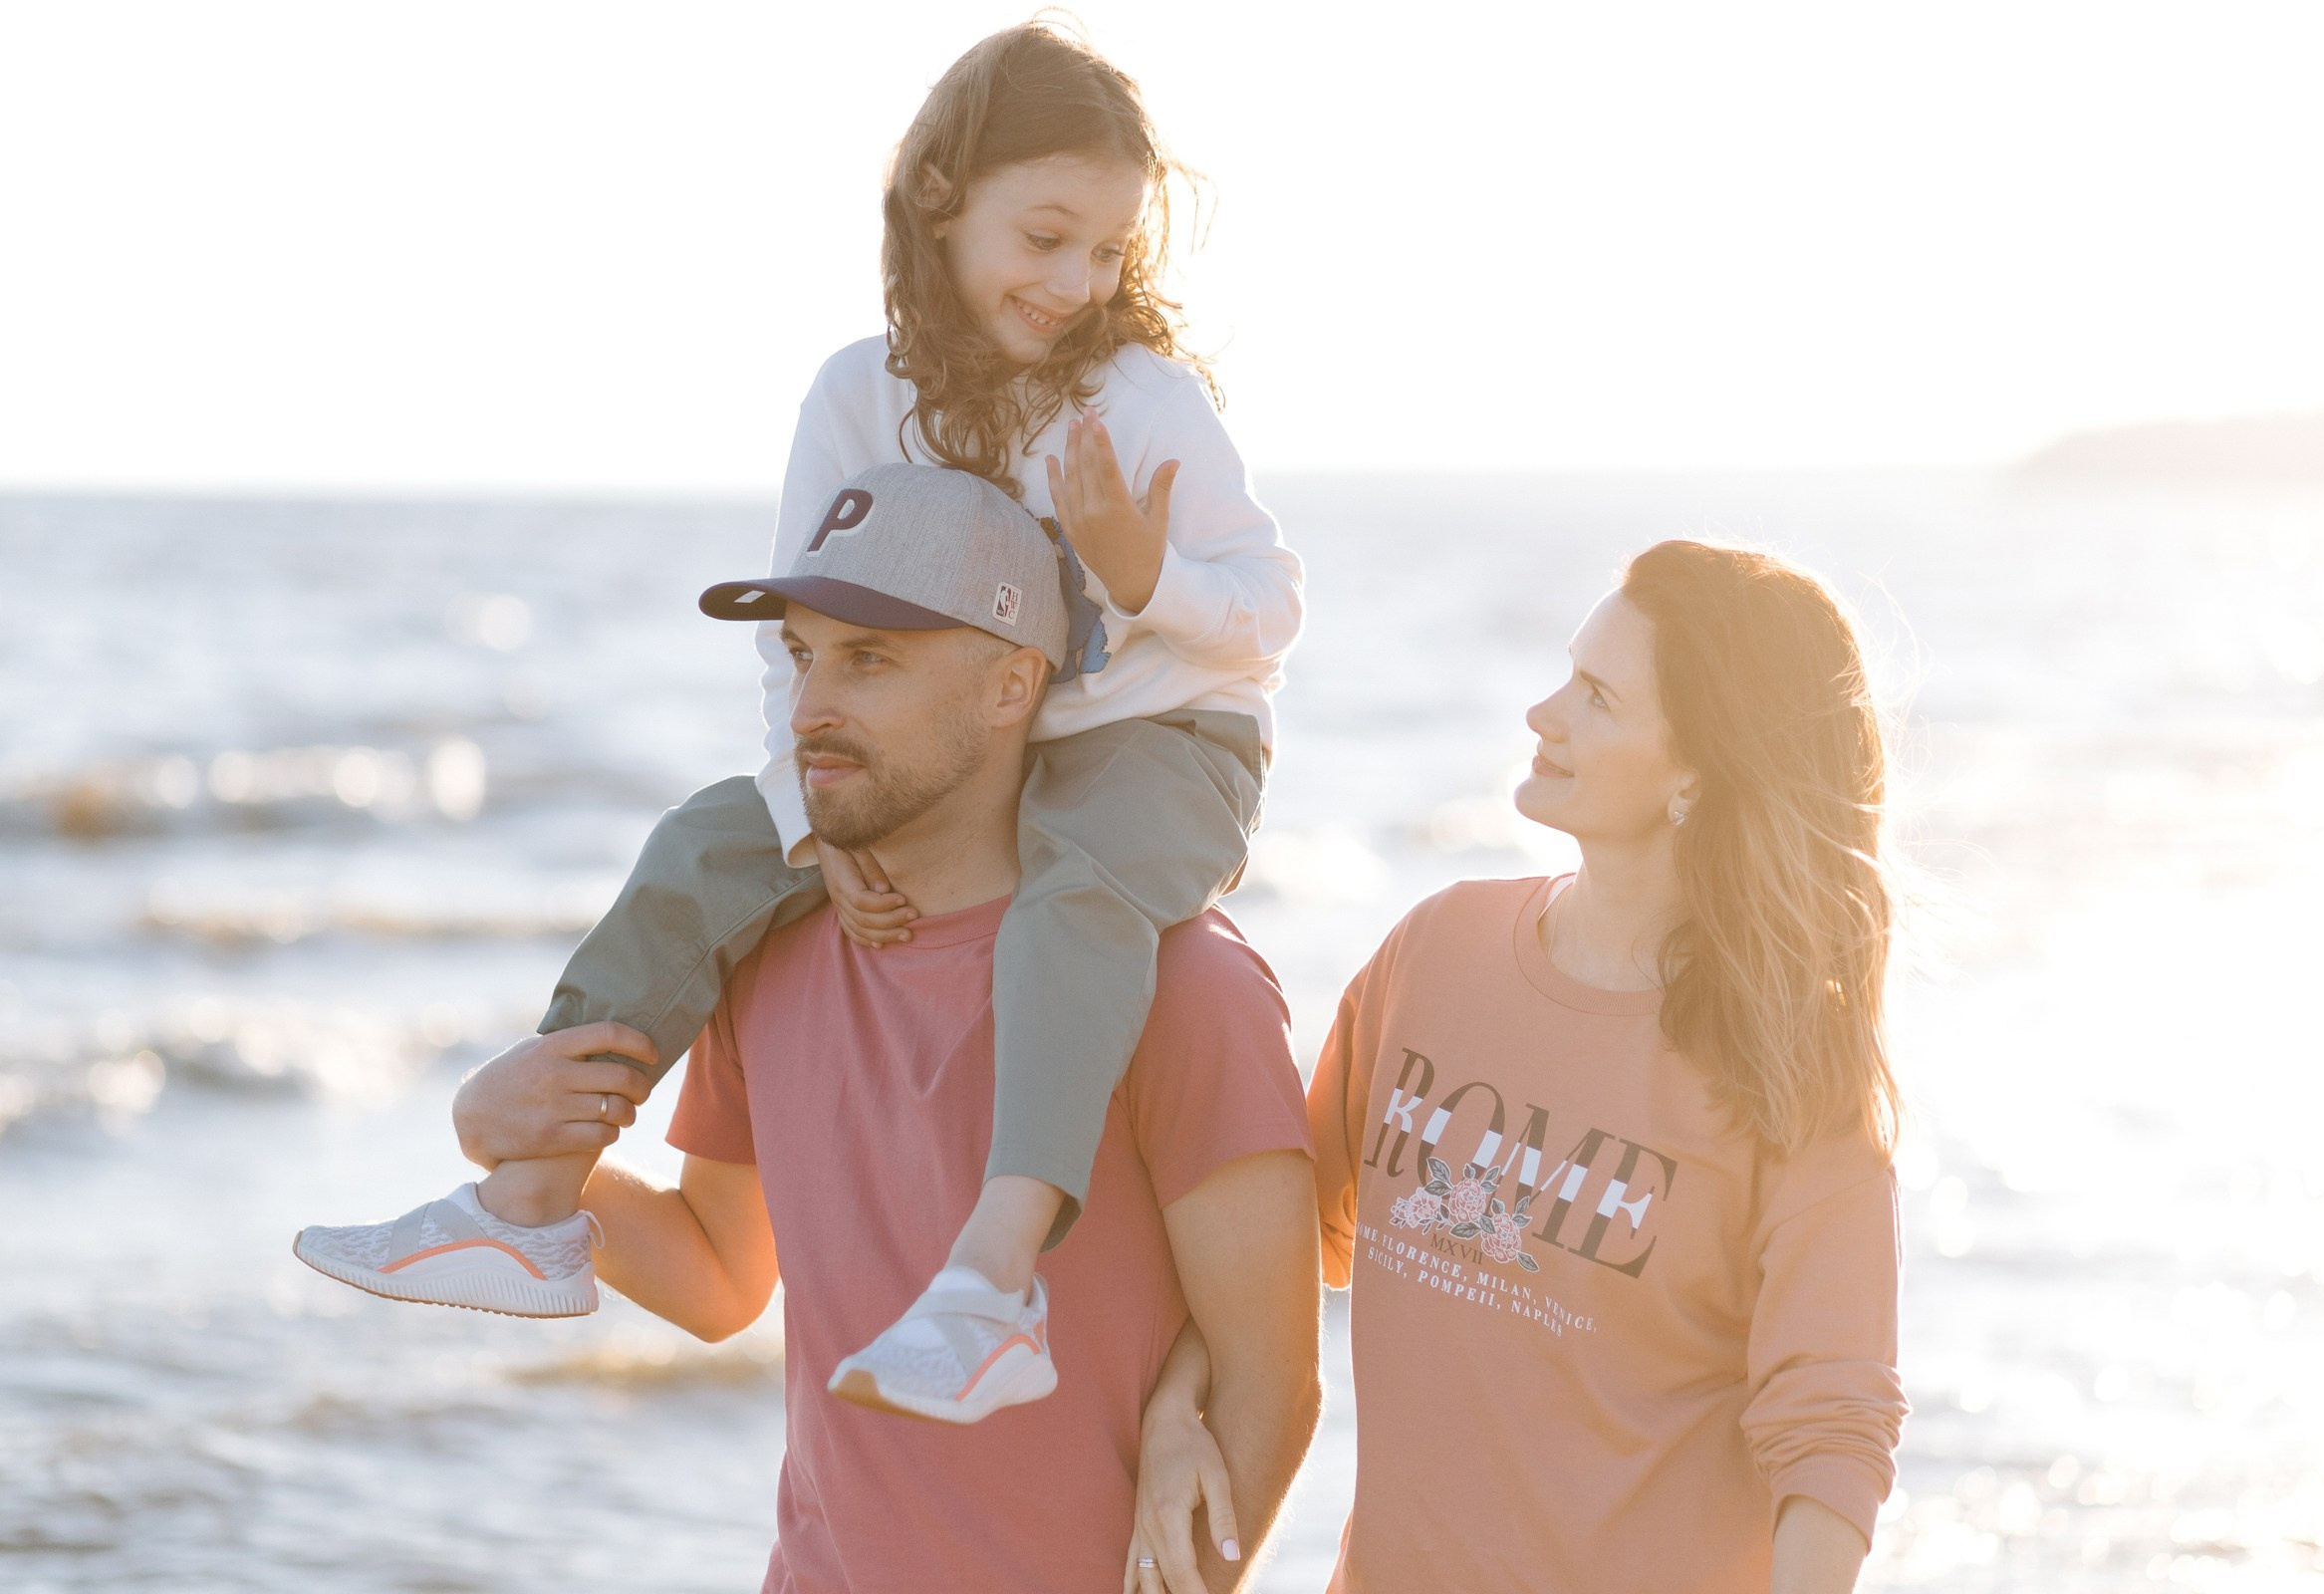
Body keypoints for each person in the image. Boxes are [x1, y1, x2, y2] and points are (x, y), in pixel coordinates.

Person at [294, 20, 1302, 1426]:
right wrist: (806, 817)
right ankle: (530, 1199)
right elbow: (801, 635)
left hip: (1160, 735)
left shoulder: (1139, 399)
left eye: (1106, 253)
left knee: (1077, 903)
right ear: (942, 200)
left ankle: (997, 1280)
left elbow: (1268, 609)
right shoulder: (858, 393)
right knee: (705, 844)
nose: (1075, 283)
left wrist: (1145, 576)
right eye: (1046, 237)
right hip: (971, 751)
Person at [449, 464, 1322, 1591]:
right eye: (804, 654)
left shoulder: (1186, 982)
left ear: (1013, 684)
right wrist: (507, 1146)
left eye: (870, 659)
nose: (812, 705)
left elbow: (1273, 1379)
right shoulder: (769, 952)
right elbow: (720, 1275)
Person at [1128, 541, 1908, 1594]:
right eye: (1565, 674)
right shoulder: (1436, 954)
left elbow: (1832, 1432)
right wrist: (1176, 1409)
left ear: (1698, 771)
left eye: (1596, 697)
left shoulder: (1792, 1076)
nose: (1544, 713)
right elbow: (1272, 1242)